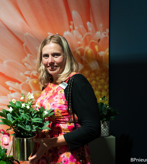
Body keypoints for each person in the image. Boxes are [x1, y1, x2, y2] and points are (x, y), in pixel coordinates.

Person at [29, 34, 100, 164]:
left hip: (68, 157)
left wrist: (51, 143)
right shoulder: (47, 87)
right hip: (45, 157)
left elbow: (92, 128)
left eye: (56, 55)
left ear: (66, 56)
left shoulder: (76, 81)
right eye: (46, 56)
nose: (50, 61)